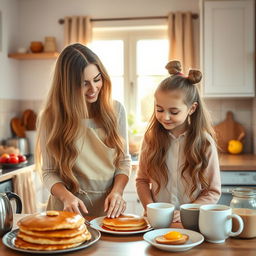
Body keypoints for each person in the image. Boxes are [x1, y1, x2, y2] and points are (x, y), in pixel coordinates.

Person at [36, 43, 131, 218]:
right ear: (67, 86)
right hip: (65, 211)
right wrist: (66, 197)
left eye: (97, 79)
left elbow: (123, 161)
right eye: (84, 83)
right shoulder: (51, 117)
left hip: (107, 210)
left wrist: (117, 192)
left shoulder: (116, 110)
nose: (93, 89)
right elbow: (48, 172)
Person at [136, 60, 221, 221]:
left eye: (174, 111)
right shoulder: (150, 139)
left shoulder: (205, 143)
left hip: (192, 222)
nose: (165, 117)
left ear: (192, 108)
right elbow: (141, 180)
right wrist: (150, 208)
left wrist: (186, 213)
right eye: (159, 109)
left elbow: (212, 191)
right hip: (156, 221)